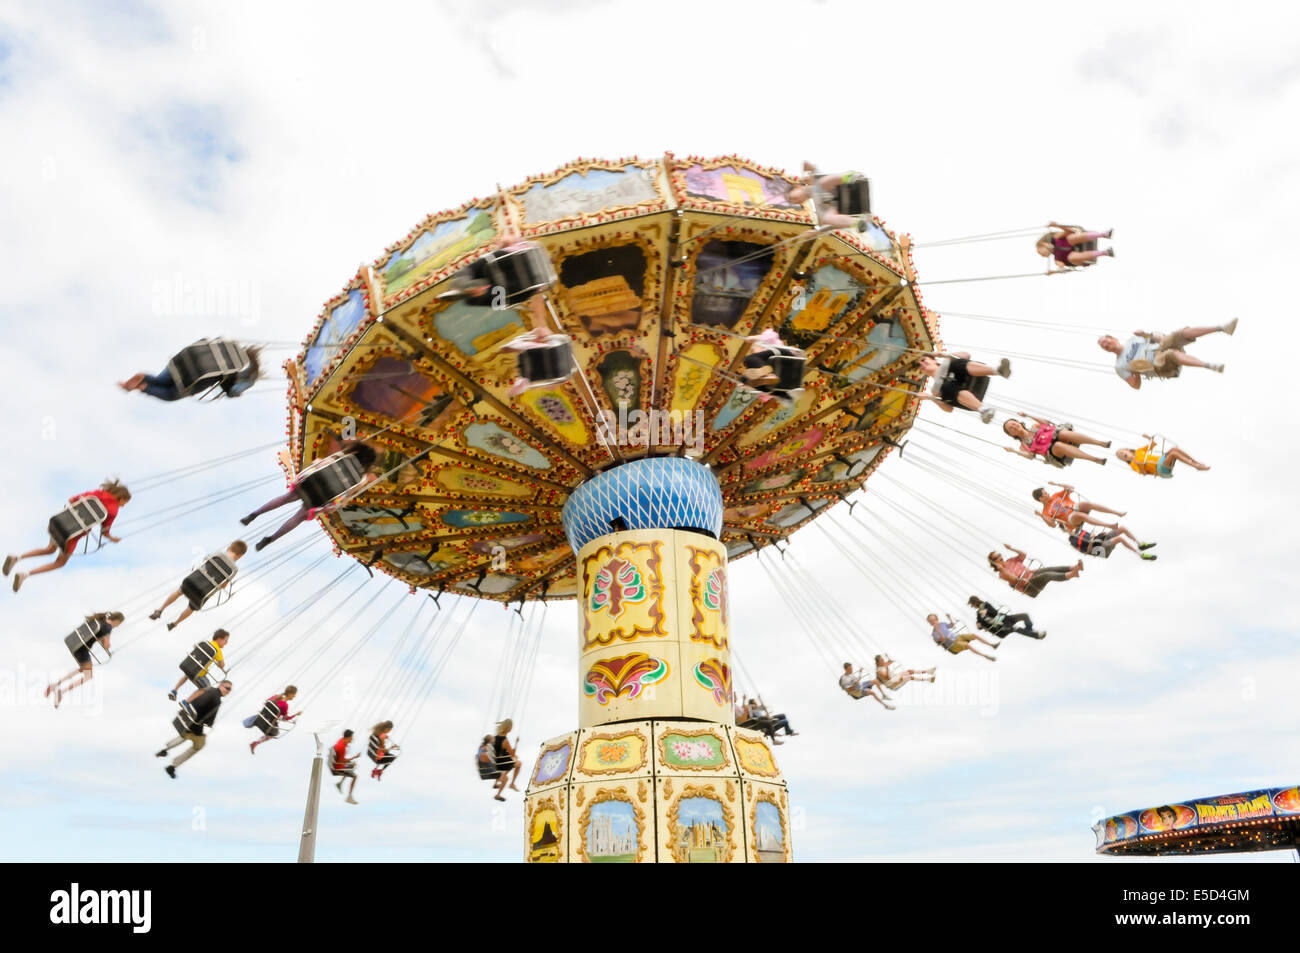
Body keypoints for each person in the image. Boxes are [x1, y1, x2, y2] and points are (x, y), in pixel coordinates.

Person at [241, 441, 380, 551]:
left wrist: (312, 467)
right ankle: (271, 539)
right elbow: (346, 495)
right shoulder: (361, 479)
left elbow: (323, 462)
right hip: (323, 496)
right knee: (299, 516)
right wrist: (332, 506)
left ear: (358, 451)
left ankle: (254, 514)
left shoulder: (345, 456)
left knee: (286, 498)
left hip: (313, 481)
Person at [4, 480, 131, 592]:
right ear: (121, 497)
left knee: (50, 549)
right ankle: (25, 574)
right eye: (125, 502)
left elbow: (71, 500)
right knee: (60, 563)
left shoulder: (97, 493)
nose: (124, 506)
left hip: (59, 523)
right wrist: (112, 538)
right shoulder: (113, 510)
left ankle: (17, 558)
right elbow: (105, 532)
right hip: (70, 536)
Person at [1098, 319, 1236, 389]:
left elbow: (1159, 338)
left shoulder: (1132, 339)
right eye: (1103, 346)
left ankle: (1221, 328)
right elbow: (1136, 386)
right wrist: (1135, 372)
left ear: (1113, 339)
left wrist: (1146, 334)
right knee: (1170, 354)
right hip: (1158, 364)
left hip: (1158, 347)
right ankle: (1208, 365)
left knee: (1179, 334)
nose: (1106, 345)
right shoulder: (1120, 366)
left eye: (1106, 341)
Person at [149, 540, 247, 630]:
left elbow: (203, 563)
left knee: (179, 592)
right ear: (240, 555)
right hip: (202, 593)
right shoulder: (234, 570)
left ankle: (160, 610)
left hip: (191, 581)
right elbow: (223, 586)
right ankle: (175, 623)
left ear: (229, 547)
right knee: (192, 607)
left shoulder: (217, 554)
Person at [119, 342, 262, 401]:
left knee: (160, 381)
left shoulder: (224, 346)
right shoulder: (233, 370)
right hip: (189, 381)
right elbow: (231, 391)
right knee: (170, 394)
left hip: (180, 364)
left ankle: (142, 378)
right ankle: (143, 386)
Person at [46, 611, 124, 707]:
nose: (117, 626)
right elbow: (106, 644)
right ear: (117, 621)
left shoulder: (100, 620)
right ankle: (61, 691)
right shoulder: (108, 627)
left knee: (83, 669)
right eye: (119, 624)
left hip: (76, 646)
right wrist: (108, 646)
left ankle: (56, 684)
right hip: (82, 649)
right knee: (88, 676)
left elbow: (96, 635)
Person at [156, 680, 231, 778]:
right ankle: (173, 766)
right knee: (199, 745)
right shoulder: (217, 700)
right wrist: (210, 724)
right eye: (227, 688)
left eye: (230, 690)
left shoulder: (208, 688)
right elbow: (210, 719)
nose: (228, 691)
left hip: (187, 717)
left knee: (185, 734)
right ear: (221, 686)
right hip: (196, 723)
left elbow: (196, 697)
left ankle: (165, 749)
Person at [918, 352, 1010, 424]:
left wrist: (943, 355)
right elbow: (949, 409)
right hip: (968, 396)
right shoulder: (935, 389)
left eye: (923, 360)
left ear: (934, 360)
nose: (922, 364)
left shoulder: (948, 362)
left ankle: (997, 371)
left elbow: (966, 355)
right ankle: (983, 409)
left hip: (974, 380)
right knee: (946, 388)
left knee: (955, 363)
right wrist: (930, 398)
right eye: (919, 365)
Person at [784, 161, 871, 230]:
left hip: (849, 186)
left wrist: (804, 174)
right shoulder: (819, 208)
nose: (795, 201)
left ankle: (848, 177)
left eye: (792, 198)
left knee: (821, 183)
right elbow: (825, 226)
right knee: (826, 218)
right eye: (793, 202)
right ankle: (857, 222)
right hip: (845, 207)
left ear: (797, 187)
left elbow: (806, 163)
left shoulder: (815, 179)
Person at [1004, 415, 1109, 466]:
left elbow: (1047, 422)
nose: (1014, 427)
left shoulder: (1035, 426)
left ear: (1018, 422)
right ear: (1011, 434)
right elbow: (1030, 456)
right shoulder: (1023, 445)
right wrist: (1014, 451)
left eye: (1013, 423)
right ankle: (1094, 459)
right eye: (1010, 428)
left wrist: (1028, 415)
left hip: (1059, 437)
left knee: (1062, 433)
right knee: (1057, 445)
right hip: (1053, 452)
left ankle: (1099, 443)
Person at [739, 329, 805, 408]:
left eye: (752, 349)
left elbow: (772, 335)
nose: (752, 351)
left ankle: (768, 376)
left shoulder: (769, 345)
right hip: (785, 381)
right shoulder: (757, 363)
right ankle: (786, 396)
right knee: (747, 379)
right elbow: (767, 394)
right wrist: (747, 385)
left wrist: (754, 338)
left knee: (749, 359)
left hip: (785, 361)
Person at [988, 545, 1082, 598]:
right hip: (1028, 586)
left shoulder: (1011, 560)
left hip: (1032, 574)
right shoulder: (1001, 574)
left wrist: (1011, 548)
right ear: (994, 562)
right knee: (1046, 575)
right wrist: (1001, 569)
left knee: (1050, 569)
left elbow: (1023, 555)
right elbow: (1015, 580)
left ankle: (1074, 568)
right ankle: (1072, 575)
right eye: (996, 557)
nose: (1000, 557)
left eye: (999, 555)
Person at [168, 629, 230, 700]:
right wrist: (219, 665)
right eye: (225, 640)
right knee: (207, 688)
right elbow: (222, 665)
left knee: (189, 672)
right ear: (219, 639)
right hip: (199, 675)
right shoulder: (217, 651)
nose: (226, 643)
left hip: (191, 668)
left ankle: (174, 690)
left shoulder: (205, 643)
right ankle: (188, 701)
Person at [1117, 436, 1210, 478]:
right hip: (1159, 468)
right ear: (1123, 460)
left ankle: (1196, 462)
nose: (1122, 455)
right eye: (1120, 456)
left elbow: (1153, 444)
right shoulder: (1133, 464)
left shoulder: (1139, 451)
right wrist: (1140, 465)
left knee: (1174, 449)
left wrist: (1149, 438)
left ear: (1127, 449)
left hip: (1161, 460)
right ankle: (1196, 467)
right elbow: (1144, 473)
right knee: (1173, 455)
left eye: (1121, 452)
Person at [1036, 223, 1114, 270]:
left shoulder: (1056, 238)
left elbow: (1069, 231)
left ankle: (1103, 234)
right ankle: (1104, 252)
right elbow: (1061, 265)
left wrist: (1056, 225)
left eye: (1040, 252)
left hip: (1072, 241)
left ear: (1044, 244)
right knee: (1071, 258)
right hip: (1073, 257)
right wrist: (1059, 269)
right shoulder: (1056, 259)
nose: (1041, 255)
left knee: (1071, 238)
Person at [247, 685, 299, 753]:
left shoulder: (275, 697)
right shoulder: (285, 705)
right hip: (269, 726)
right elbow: (285, 718)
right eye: (294, 695)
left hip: (261, 718)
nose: (294, 696)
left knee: (262, 716)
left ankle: (251, 724)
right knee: (275, 733)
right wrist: (295, 715)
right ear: (290, 694)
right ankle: (256, 743)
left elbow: (267, 702)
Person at [927, 613, 998, 662]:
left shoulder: (942, 624)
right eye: (931, 621)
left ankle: (992, 645)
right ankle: (986, 656)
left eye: (934, 619)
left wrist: (949, 618)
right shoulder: (934, 634)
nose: (933, 622)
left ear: (937, 619)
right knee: (967, 645)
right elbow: (943, 639)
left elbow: (952, 625)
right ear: (930, 623)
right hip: (952, 644)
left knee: (974, 635)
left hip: (957, 637)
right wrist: (938, 630)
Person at [967, 596, 1043, 640]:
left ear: (975, 602)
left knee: (1024, 615)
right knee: (1016, 628)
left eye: (972, 604)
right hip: (1000, 626)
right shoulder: (978, 614)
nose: (973, 606)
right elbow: (981, 625)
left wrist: (986, 612)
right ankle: (1037, 635)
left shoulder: (986, 605)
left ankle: (1029, 629)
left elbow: (995, 613)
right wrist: (978, 625)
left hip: (1004, 618)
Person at [490, 719, 521, 800]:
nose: (511, 729)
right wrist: (516, 743)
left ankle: (497, 789)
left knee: (515, 759)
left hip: (496, 761)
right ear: (508, 728)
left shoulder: (495, 737)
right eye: (511, 727)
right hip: (502, 763)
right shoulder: (505, 741)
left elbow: (498, 750)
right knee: (519, 763)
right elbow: (512, 754)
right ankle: (512, 784)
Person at [330, 730, 360, 804]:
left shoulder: (341, 741)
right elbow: (342, 761)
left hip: (336, 763)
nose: (352, 739)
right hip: (337, 767)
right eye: (351, 738)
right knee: (355, 776)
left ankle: (340, 783)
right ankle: (349, 797)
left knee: (351, 766)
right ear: (348, 737)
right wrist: (354, 758)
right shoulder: (342, 747)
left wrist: (350, 762)